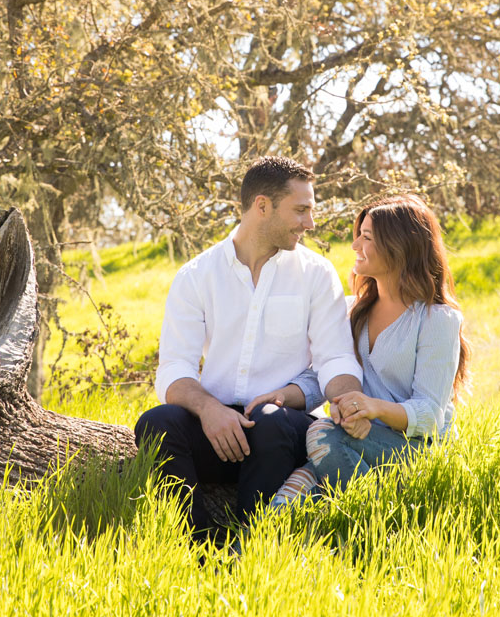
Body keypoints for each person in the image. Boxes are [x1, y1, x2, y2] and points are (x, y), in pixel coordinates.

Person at [134, 155, 363, 541]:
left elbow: (335, 357)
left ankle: (252, 544)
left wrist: (348, 401)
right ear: (262, 206)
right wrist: (210, 410)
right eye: (301, 210)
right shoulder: (196, 276)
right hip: (217, 429)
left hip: (282, 432)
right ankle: (200, 544)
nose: (310, 223)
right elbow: (174, 369)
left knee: (270, 418)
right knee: (155, 424)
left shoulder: (316, 274)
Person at [270, 193, 470, 506]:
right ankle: (239, 553)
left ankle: (379, 515)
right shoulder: (351, 311)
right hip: (353, 439)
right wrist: (282, 395)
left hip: (414, 449)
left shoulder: (437, 320)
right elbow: (325, 372)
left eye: (366, 237)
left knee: (322, 434)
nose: (354, 246)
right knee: (290, 497)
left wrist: (373, 408)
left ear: (400, 245)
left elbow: (430, 413)